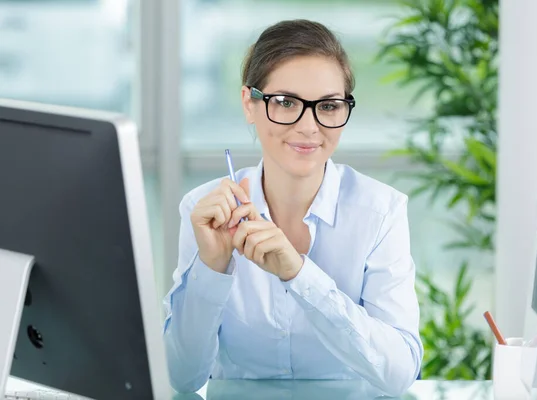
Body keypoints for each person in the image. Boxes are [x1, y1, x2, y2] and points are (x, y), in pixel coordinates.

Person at [163, 19, 423, 397]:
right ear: (249, 104)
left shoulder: (380, 212)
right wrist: (211, 268)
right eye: (285, 103)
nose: (309, 126)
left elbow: (400, 372)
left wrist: (299, 275)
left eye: (329, 106)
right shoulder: (206, 211)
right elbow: (181, 378)